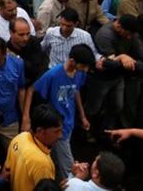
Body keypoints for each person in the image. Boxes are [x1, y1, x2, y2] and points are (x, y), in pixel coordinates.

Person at [22, 44, 94, 181]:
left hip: (69, 122)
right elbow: (32, 89)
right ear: (72, 61)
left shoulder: (79, 74)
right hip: (57, 126)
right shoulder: (53, 74)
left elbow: (75, 91)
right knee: (69, 166)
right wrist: (26, 118)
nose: (85, 70)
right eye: (83, 66)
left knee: (57, 158)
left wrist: (82, 116)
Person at [5, 104, 62, 191]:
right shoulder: (42, 164)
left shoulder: (20, 138)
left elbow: (6, 171)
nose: (60, 136)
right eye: (56, 132)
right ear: (40, 131)